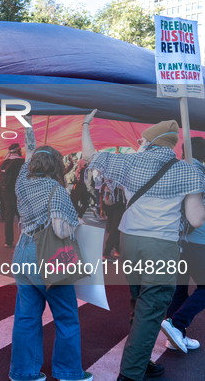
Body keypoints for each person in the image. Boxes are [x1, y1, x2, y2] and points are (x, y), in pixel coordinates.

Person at [82, 111, 205, 381]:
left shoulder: (130, 162)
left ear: (149, 141)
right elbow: (196, 217)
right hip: (160, 244)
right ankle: (131, 373)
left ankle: (142, 359)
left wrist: (86, 124)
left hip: (129, 240)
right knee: (152, 307)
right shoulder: (187, 169)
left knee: (139, 302)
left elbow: (90, 156)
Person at [10, 145, 93, 381]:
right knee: (66, 316)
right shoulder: (56, 190)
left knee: (27, 317)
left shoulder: (21, 183)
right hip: (46, 257)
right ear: (57, 166)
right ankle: (68, 372)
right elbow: (61, 229)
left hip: (22, 253)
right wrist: (75, 222)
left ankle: (23, 372)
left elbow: (26, 160)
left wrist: (30, 139)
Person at [162, 136, 205, 353]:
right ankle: (176, 324)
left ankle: (175, 337)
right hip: (197, 241)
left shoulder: (174, 172)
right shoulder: (200, 174)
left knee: (179, 289)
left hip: (175, 240)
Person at [0, 143, 25, 247]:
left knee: (8, 215)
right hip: (18, 192)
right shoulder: (21, 162)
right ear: (18, 151)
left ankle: (8, 240)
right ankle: (25, 239)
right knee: (22, 216)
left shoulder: (5, 162)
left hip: (5, 191)